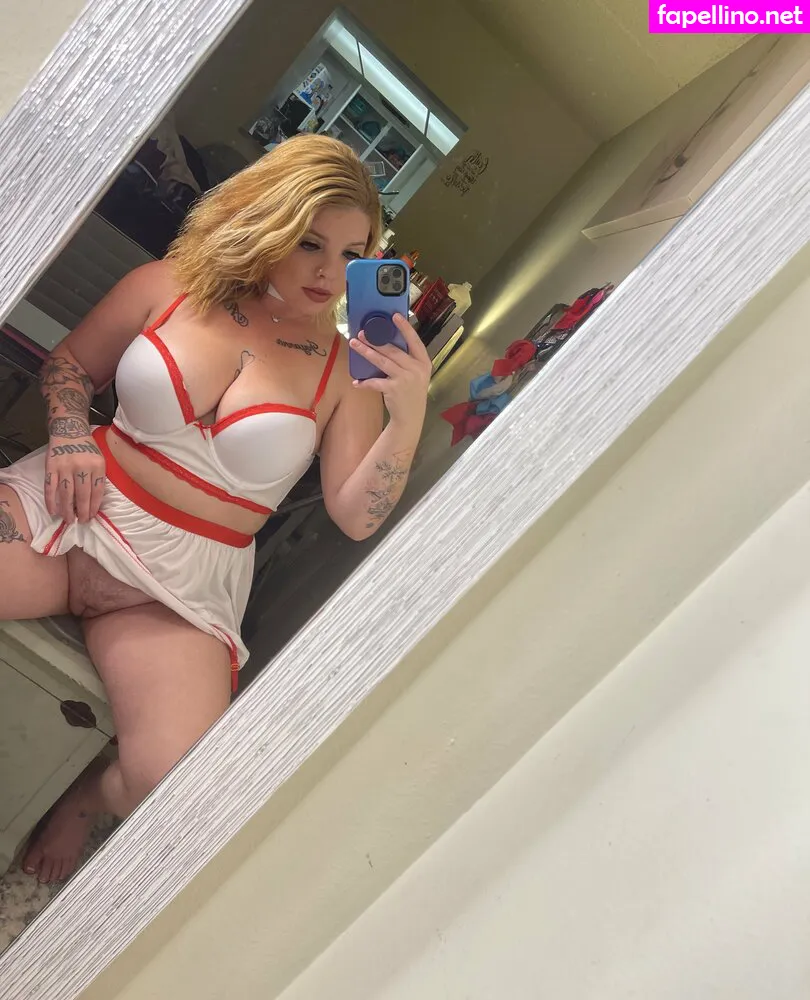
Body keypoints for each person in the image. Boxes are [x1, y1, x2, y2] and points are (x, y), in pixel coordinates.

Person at [0, 134, 431, 884]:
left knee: (177, 790)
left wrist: (409, 413)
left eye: (353, 254)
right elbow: (72, 364)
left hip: (178, 591)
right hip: (70, 511)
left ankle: (87, 795)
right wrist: (69, 434)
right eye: (309, 243)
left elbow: (356, 516)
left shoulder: (343, 370)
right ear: (265, 220)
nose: (330, 275)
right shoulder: (168, 283)